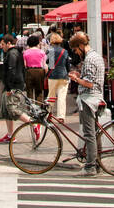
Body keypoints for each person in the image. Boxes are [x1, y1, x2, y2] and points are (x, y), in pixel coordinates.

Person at [67, 31, 106, 177]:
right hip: (96, 97)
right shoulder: (96, 56)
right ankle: (98, 163)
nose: (76, 53)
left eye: (76, 49)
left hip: (89, 99)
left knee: (89, 134)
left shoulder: (89, 59)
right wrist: (79, 76)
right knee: (95, 134)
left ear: (81, 46)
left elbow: (89, 83)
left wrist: (76, 79)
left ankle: (90, 166)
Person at [0, 34, 35, 145]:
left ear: (8, 43)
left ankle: (32, 123)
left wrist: (9, 87)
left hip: (13, 87)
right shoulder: (16, 53)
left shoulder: (12, 54)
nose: (1, 47)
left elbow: (11, 71)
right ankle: (10, 135)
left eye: (3, 44)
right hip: (14, 85)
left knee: (13, 110)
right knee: (7, 111)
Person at [45, 32, 70, 120]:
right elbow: (67, 65)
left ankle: (48, 114)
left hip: (53, 75)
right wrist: (68, 73)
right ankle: (61, 116)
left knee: (51, 96)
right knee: (62, 97)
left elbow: (50, 64)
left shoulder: (50, 50)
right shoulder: (64, 51)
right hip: (63, 75)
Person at [23, 33, 48, 103]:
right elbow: (44, 64)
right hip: (40, 71)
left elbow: (25, 64)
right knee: (39, 91)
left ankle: (30, 109)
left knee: (29, 91)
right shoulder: (42, 52)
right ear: (37, 43)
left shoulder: (25, 52)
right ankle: (39, 108)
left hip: (29, 71)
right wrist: (46, 73)